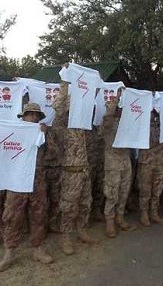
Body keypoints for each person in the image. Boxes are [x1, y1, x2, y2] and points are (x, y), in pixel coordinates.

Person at [0, 103, 54, 272]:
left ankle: (37, 248)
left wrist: (46, 136)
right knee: (12, 216)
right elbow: (1, 148)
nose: (33, 117)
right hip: (16, 181)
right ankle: (9, 252)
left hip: (37, 181)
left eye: (36, 115)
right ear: (23, 116)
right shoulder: (13, 132)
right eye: (30, 114)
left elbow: (53, 155)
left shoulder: (43, 133)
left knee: (38, 215)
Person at [53, 79, 94, 255]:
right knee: (68, 207)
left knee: (85, 203)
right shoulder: (60, 126)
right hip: (70, 174)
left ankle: (81, 230)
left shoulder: (82, 126)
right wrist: (65, 84)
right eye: (71, 108)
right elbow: (58, 108)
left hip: (84, 171)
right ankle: (66, 237)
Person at [101, 93, 136, 238]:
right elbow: (107, 120)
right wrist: (114, 103)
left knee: (124, 192)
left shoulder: (126, 123)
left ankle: (120, 217)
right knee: (112, 194)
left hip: (125, 162)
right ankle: (109, 221)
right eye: (118, 108)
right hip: (113, 163)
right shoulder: (107, 124)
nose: (120, 111)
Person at [137, 111, 163, 226]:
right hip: (146, 161)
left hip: (159, 160)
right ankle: (144, 213)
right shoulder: (142, 124)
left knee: (158, 188)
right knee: (145, 188)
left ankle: (154, 212)